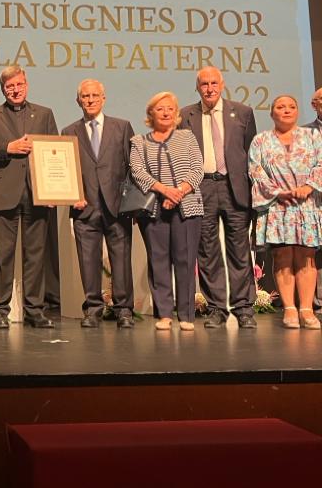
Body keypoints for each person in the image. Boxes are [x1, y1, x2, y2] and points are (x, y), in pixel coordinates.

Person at [0, 65, 58, 329]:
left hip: (38, 194)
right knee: (3, 254)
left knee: (35, 255)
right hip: (5, 194)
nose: (15, 90)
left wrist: (55, 188)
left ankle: (35, 310)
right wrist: (7, 148)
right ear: (3, 89)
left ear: (27, 84)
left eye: (19, 84)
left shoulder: (45, 114)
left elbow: (55, 151)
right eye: (9, 86)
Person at [179, 66, 258, 329]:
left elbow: (249, 151)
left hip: (234, 187)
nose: (209, 88)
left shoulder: (243, 112)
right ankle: (216, 308)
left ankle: (244, 308)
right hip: (201, 187)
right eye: (204, 84)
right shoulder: (185, 115)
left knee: (239, 249)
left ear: (222, 85)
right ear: (197, 87)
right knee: (207, 250)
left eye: (214, 83)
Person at [62, 79, 135, 329]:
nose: (90, 99)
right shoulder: (68, 132)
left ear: (104, 98)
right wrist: (71, 195)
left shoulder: (122, 127)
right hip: (84, 207)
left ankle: (124, 309)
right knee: (88, 261)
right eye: (85, 96)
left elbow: (132, 169)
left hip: (117, 207)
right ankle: (93, 308)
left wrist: (129, 203)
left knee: (122, 260)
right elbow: (65, 171)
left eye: (95, 95)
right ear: (78, 101)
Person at [130, 92, 204, 331]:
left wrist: (178, 193)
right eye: (160, 108)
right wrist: (164, 191)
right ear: (151, 113)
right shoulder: (139, 142)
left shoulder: (187, 136)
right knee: (158, 260)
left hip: (187, 207)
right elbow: (138, 171)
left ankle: (186, 315)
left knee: (185, 260)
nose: (165, 112)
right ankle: (163, 314)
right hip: (154, 209)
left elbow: (197, 169)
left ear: (176, 113)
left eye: (170, 108)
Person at [249, 95, 322, 330]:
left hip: (306, 204)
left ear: (298, 111)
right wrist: (277, 192)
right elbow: (255, 170)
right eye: (281, 107)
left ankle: (307, 310)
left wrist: (308, 186)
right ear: (272, 113)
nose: (286, 110)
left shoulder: (313, 137)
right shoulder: (260, 141)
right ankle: (290, 308)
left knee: (305, 257)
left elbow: (321, 164)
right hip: (277, 205)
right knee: (282, 257)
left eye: (292, 106)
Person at [303, 88, 322, 320]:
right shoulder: (304, 133)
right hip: (314, 198)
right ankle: (318, 301)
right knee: (316, 252)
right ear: (313, 104)